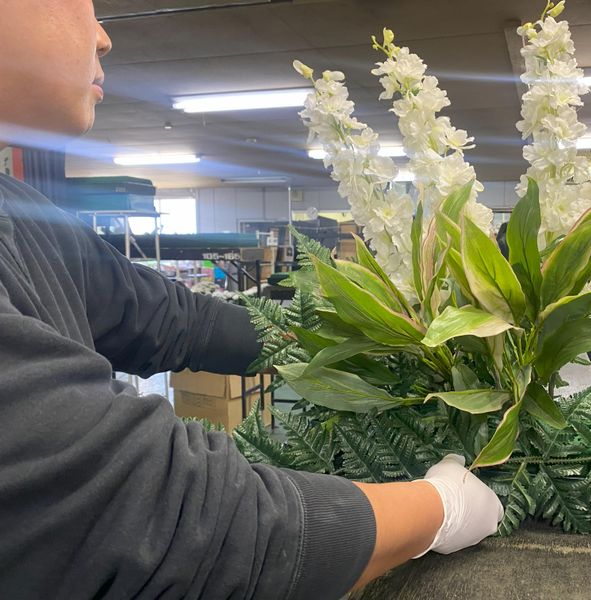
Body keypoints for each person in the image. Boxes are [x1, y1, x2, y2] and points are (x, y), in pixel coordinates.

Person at [0, 2, 503, 599]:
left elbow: (167, 317)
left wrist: (364, 339)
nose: (103, 37)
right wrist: (438, 509)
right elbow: (164, 521)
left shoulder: (20, 215)